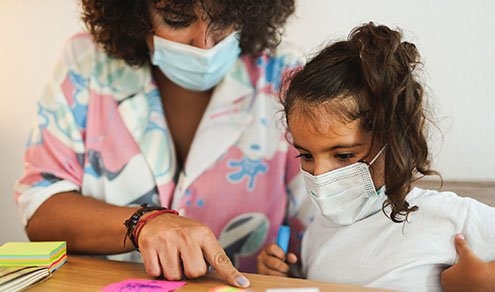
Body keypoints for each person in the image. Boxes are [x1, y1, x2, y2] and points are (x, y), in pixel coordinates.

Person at [13, 0, 315, 288]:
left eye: (223, 20)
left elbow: (319, 227)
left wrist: (285, 267)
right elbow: (41, 208)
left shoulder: (284, 78)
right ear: (136, 15)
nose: (204, 45)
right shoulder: (86, 63)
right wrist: (141, 223)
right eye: (177, 20)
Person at [257, 22, 495, 291]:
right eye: (306, 155)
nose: (319, 174)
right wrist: (287, 278)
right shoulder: (318, 230)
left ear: (392, 140)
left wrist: (485, 283)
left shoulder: (450, 217)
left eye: (344, 155)